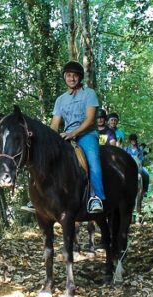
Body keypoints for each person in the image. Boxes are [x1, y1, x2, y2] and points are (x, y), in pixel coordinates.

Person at [50, 61, 105, 213]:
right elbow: (54, 125)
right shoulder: (60, 100)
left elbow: (90, 120)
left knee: (92, 160)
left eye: (74, 76)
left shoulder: (89, 94)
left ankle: (95, 197)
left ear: (79, 77)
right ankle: (43, 197)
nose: (71, 78)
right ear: (64, 77)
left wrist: (72, 134)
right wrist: (49, 140)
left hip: (86, 134)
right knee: (46, 159)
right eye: (68, 75)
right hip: (66, 136)